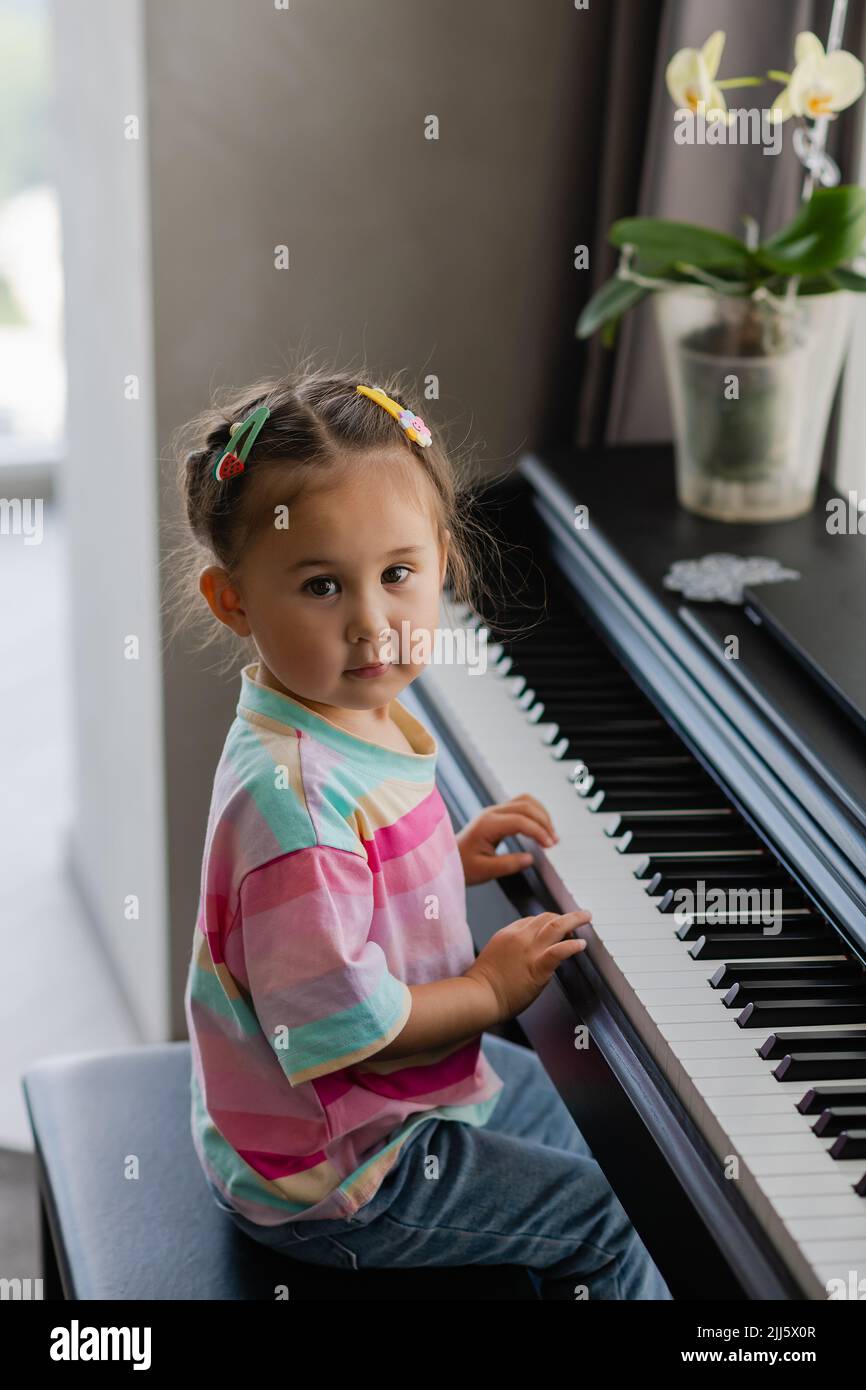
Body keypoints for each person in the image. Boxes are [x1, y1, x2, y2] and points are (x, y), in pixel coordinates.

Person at [171, 362, 672, 1300]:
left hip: (368, 1114)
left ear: (441, 558)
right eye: (322, 586)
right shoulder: (297, 807)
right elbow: (356, 1030)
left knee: (614, 1143)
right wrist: (488, 986)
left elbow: (357, 884)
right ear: (233, 601)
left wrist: (449, 852)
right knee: (612, 1217)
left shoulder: (342, 713)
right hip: (336, 1179)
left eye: (398, 575)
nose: (374, 626)